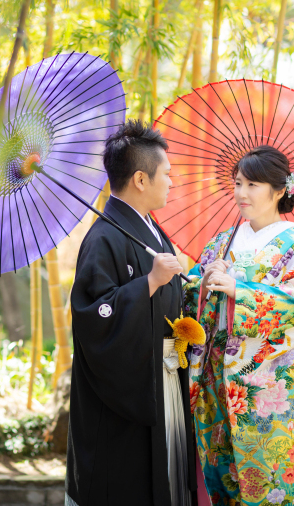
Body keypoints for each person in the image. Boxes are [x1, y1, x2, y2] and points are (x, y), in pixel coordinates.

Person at [183, 146, 294, 506]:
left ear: (279, 190)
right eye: (238, 183)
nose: (241, 193)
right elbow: (190, 292)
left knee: (274, 474)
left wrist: (239, 291)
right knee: (223, 471)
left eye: (252, 185)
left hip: (267, 384)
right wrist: (204, 281)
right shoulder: (223, 240)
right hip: (217, 380)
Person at [66, 120, 199, 506]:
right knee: (126, 482)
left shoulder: (150, 230)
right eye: (167, 174)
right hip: (127, 392)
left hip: (164, 376)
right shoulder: (104, 237)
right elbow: (93, 316)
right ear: (141, 179)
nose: (171, 182)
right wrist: (149, 283)